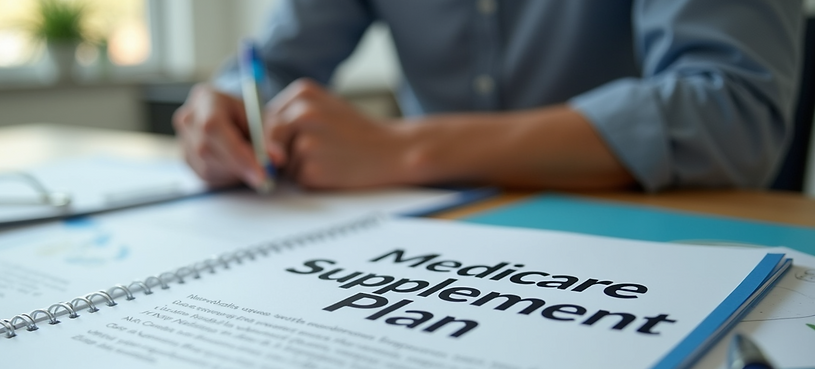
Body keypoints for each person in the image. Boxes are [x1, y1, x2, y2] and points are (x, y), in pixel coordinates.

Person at [174, 0, 803, 193]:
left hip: (658, 239)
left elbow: (735, 111)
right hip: (429, 246)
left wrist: (408, 150)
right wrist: (230, 102)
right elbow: (276, 64)